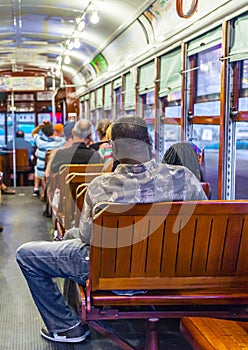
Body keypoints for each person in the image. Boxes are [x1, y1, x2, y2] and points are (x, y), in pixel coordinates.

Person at [16, 116, 207, 344]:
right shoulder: (185, 179)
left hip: (114, 273)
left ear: (114, 150)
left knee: (27, 255)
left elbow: (87, 237)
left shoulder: (100, 187)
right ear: (150, 142)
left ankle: (68, 327)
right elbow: (200, 224)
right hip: (172, 271)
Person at [32, 121, 65, 199]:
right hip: (54, 169)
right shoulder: (61, 141)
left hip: (41, 169)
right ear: (53, 130)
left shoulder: (39, 140)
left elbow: (33, 133)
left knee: (38, 170)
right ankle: (47, 193)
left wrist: (40, 126)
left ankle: (43, 191)